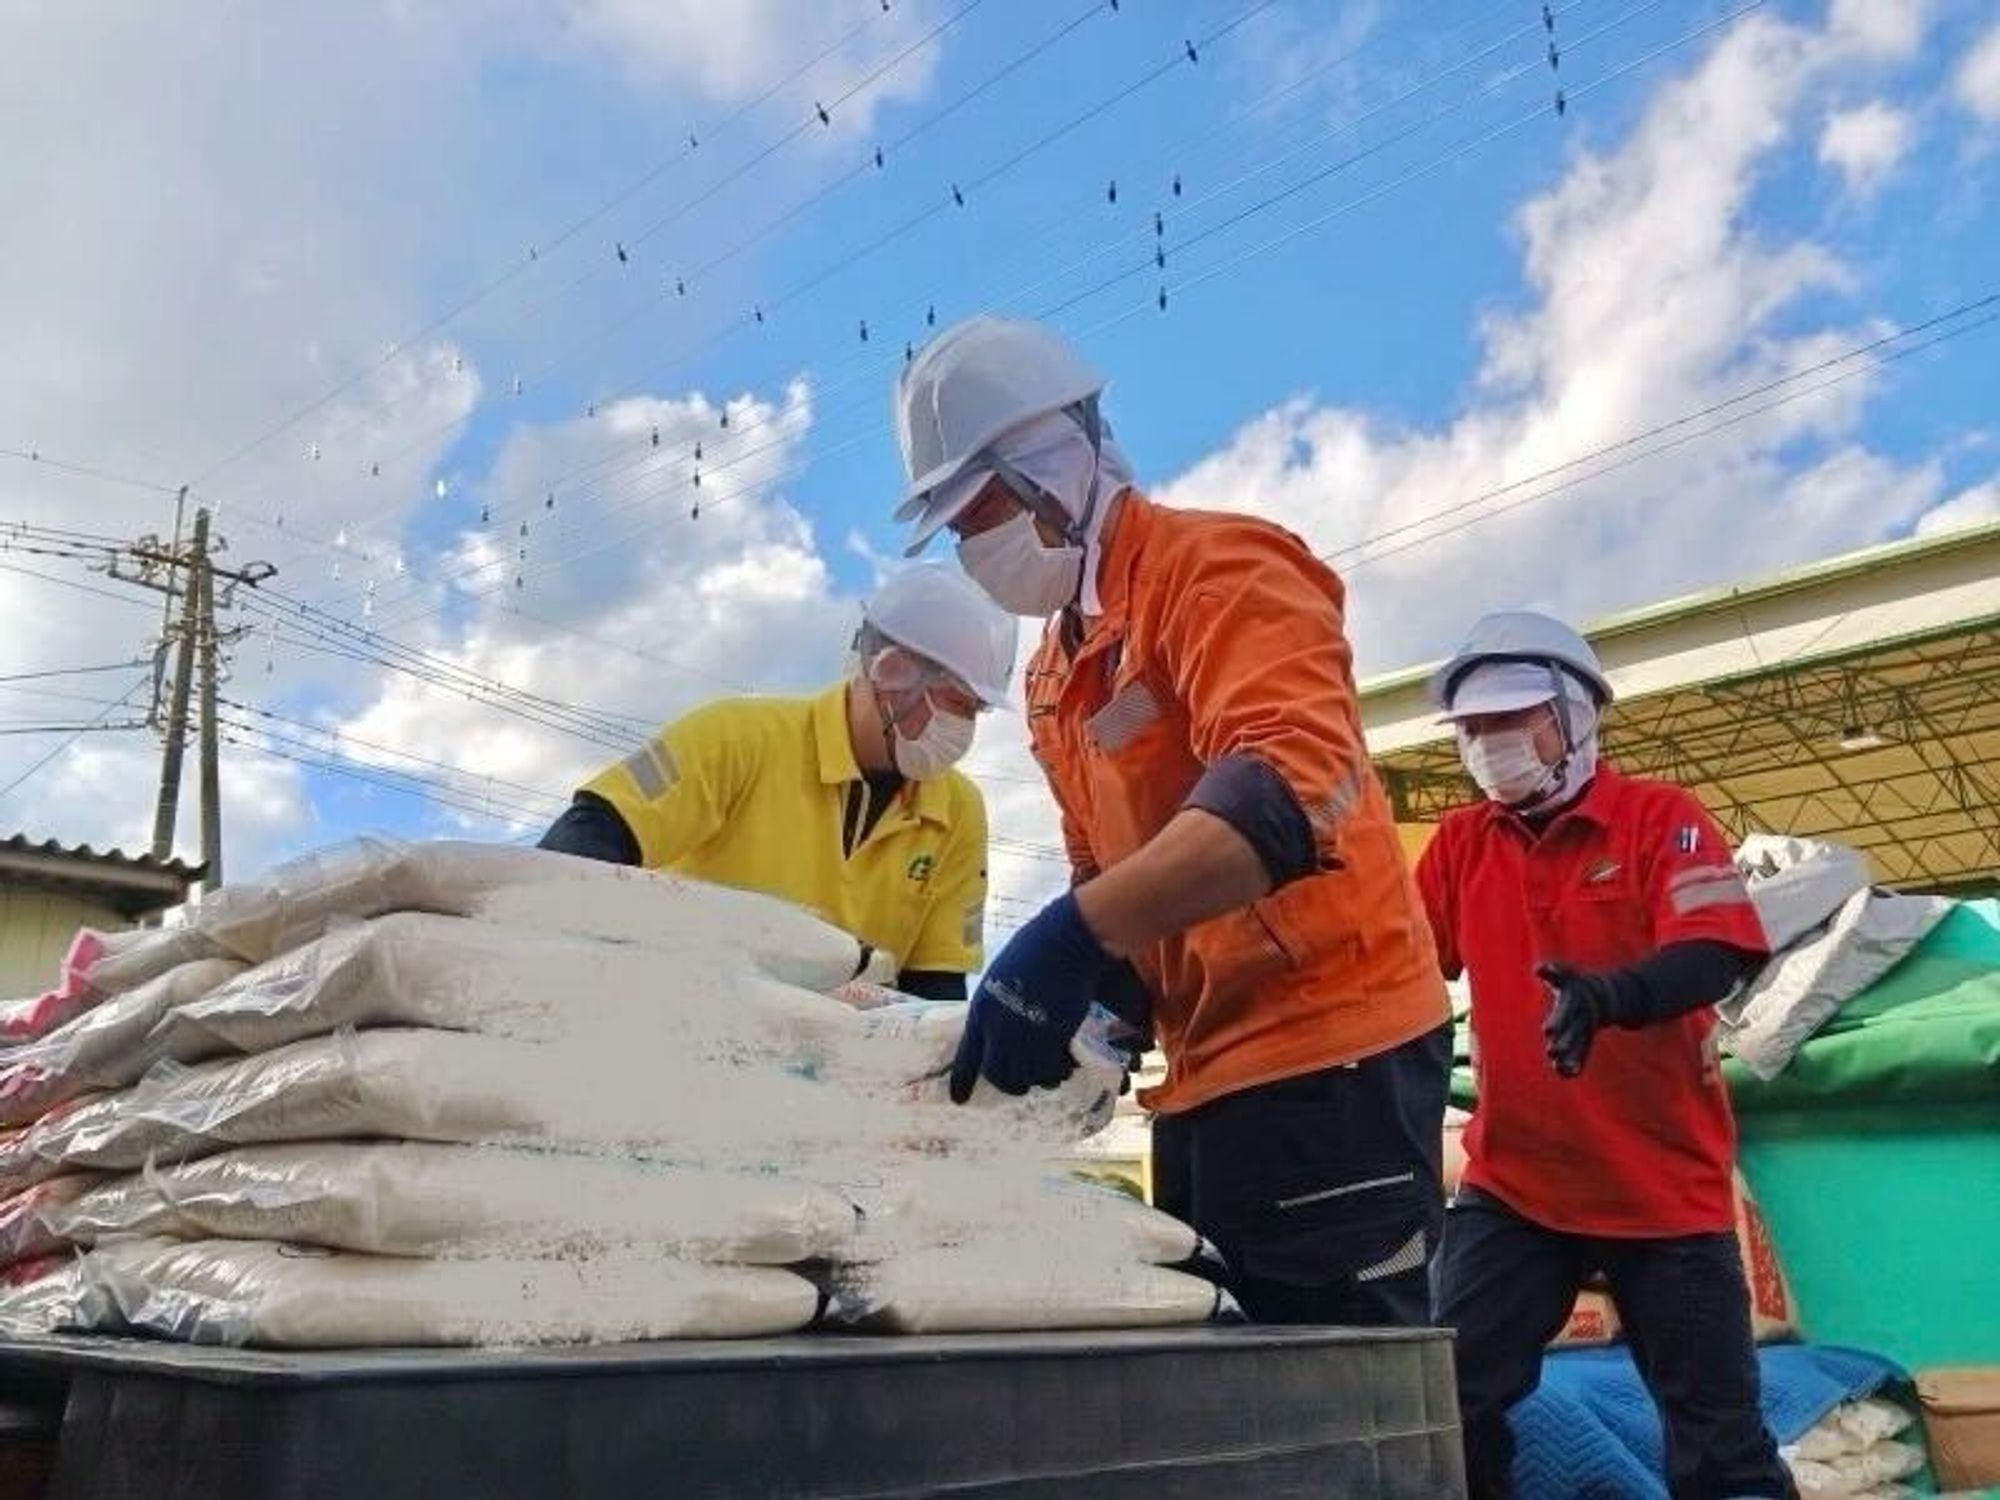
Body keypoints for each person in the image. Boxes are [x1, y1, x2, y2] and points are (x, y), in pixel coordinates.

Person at [891, 313, 1453, 1325]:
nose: (974, 552)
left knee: (1332, 1403)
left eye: (979, 517)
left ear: (1049, 471)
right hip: (1204, 1073)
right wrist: (1097, 1010)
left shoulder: (1219, 569)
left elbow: (1286, 789)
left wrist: (1072, 938)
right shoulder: (1058, 673)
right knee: (1231, 1390)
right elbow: (1100, 874)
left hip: (1331, 1057)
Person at [1414, 610, 1793, 1500]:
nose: (1488, 742)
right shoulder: (1463, 843)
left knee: (1720, 1446)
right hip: (1515, 1186)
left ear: (1578, 715)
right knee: (1442, 1405)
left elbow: (1718, 950)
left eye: (1512, 719)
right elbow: (1396, 969)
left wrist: (1609, 996)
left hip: (1660, 1187)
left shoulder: (1660, 819)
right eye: (1472, 727)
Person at [538, 565, 1015, 1001]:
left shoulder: (959, 811)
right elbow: (592, 834)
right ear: (892, 672)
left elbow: (936, 985)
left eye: (976, 711)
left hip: (831, 1067)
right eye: (958, 703)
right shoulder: (734, 736)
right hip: (682, 1025)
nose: (965, 728)